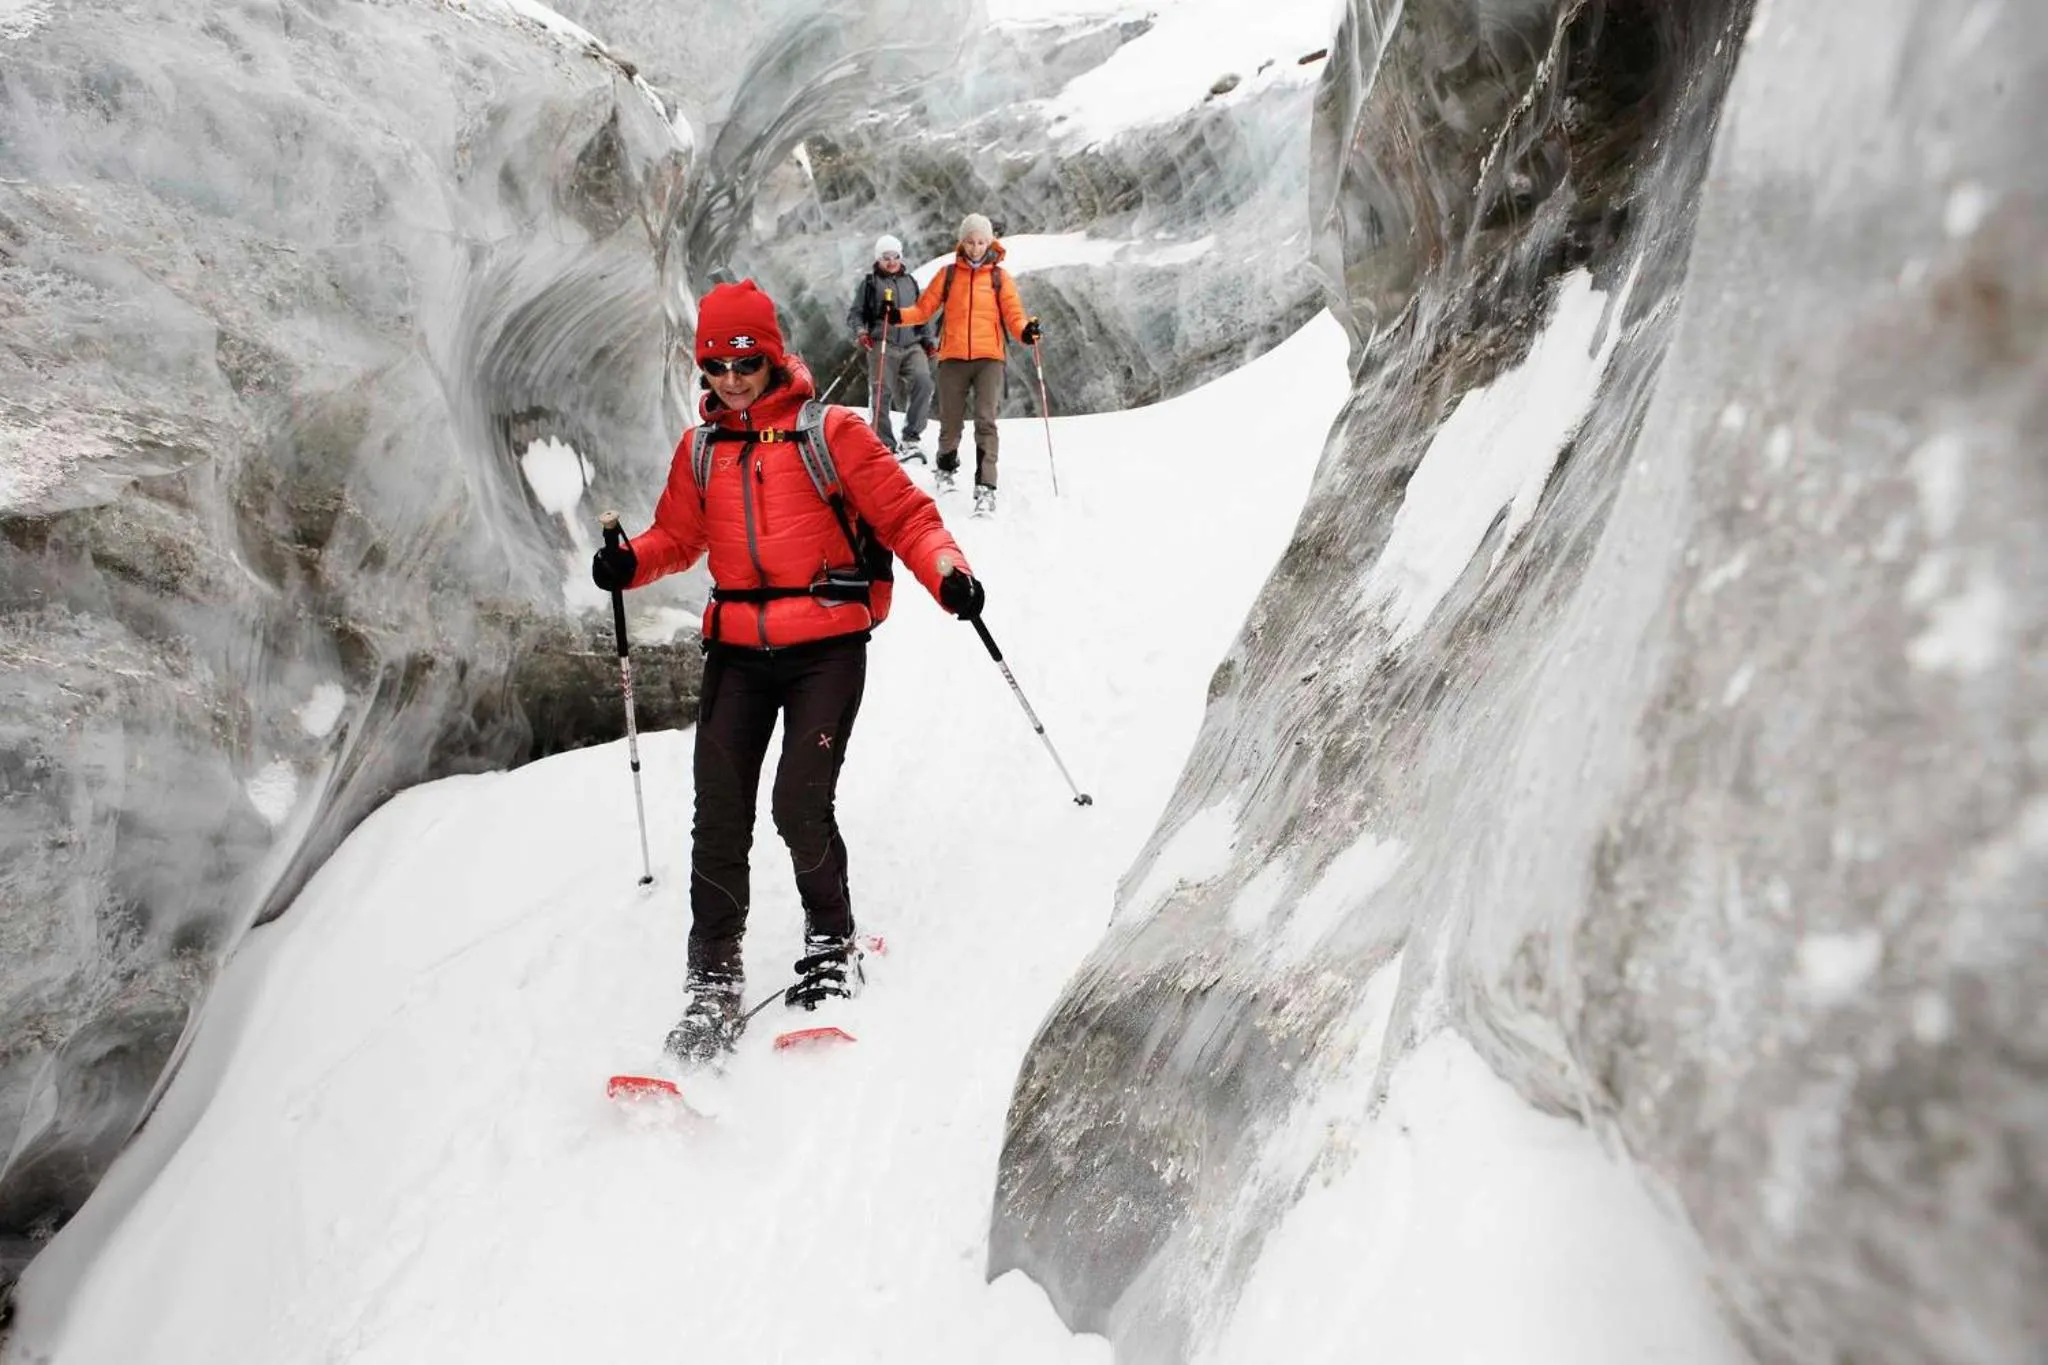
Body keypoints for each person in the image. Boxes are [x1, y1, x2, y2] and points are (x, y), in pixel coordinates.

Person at [591, 279, 989, 1064]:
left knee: (799, 803)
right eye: (715, 366)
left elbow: (907, 515)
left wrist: (947, 571)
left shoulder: (830, 433)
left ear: (772, 356)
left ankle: (832, 937)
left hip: (825, 648)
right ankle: (712, 975)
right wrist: (629, 561)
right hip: (737, 648)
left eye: (745, 362)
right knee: (720, 810)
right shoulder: (701, 449)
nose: (731, 379)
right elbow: (678, 535)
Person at [891, 212, 1042, 517]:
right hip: (953, 358)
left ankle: (985, 487)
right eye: (971, 241)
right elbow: (923, 310)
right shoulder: (948, 275)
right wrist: (897, 316)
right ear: (962, 242)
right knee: (951, 421)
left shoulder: (1000, 278)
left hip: (989, 359)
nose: (975, 247)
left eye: (981, 241)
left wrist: (1026, 331)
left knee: (986, 421)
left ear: (990, 242)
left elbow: (1014, 316)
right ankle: (945, 468)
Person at [845, 233, 937, 459]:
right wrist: (861, 332)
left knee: (923, 381)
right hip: (883, 342)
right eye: (886, 257)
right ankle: (884, 442)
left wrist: (927, 340)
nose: (891, 261)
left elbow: (921, 314)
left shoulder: (910, 282)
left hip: (911, 343)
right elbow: (855, 314)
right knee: (881, 390)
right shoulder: (869, 284)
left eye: (895, 256)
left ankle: (911, 437)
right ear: (878, 259)